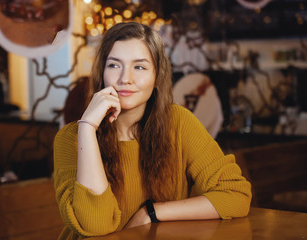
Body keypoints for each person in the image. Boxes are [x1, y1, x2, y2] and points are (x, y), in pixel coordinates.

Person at [53, 22, 252, 240]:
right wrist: (88, 128)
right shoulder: (72, 137)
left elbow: (236, 195)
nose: (125, 79)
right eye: (114, 65)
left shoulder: (178, 122)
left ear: (157, 76)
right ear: (101, 73)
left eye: (139, 67)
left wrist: (152, 212)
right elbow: (95, 226)